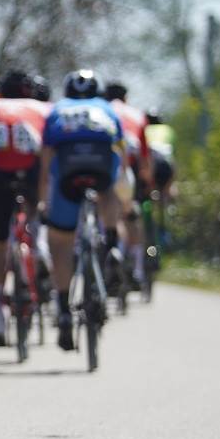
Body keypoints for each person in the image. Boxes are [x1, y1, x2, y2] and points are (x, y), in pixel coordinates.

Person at [38, 69, 125, 351]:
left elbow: (45, 161)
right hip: (100, 170)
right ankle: (111, 241)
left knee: (60, 243)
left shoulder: (57, 111)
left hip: (67, 175)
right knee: (108, 189)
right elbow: (120, 151)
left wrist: (42, 200)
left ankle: (64, 309)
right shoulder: (106, 109)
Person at [0, 71, 49, 346]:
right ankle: (40, 251)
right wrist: (42, 200)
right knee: (35, 217)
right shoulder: (41, 108)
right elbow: (48, 157)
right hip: (30, 170)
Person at [101, 80, 155, 289]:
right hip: (130, 168)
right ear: (126, 98)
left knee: (109, 215)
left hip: (106, 165)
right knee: (131, 215)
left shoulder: (103, 110)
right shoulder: (137, 114)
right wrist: (147, 184)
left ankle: (113, 252)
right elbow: (145, 158)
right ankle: (137, 268)